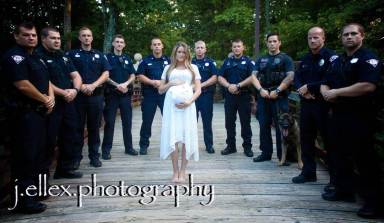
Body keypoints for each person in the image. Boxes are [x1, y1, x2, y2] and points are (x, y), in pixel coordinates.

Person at [321, 23, 383, 218]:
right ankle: (344, 190)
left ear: (362, 36)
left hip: (360, 116)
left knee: (364, 159)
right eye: (346, 34)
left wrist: (336, 92)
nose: (349, 37)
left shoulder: (368, 58)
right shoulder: (339, 60)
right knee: (339, 155)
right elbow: (325, 81)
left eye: (353, 34)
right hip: (338, 115)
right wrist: (326, 93)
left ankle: (373, 203)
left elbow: (367, 86)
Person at [1, 22, 55, 213]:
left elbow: (46, 80)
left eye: (33, 35)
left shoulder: (37, 58)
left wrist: (51, 98)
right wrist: (44, 99)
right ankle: (24, 202)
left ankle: (37, 192)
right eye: (26, 35)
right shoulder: (14, 57)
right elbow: (22, 84)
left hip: (40, 114)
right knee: (25, 158)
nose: (31, 38)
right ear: (16, 36)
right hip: (23, 115)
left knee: (39, 155)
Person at [35, 27, 83, 179]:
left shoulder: (62, 55)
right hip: (51, 104)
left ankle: (64, 169)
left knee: (70, 135)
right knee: (48, 140)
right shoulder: (37, 55)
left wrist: (75, 90)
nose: (57, 41)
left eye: (58, 38)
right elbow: (44, 81)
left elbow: (75, 75)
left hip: (68, 102)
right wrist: (63, 93)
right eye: (53, 38)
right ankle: (42, 177)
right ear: (43, 39)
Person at [239, 33, 294, 163]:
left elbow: (290, 76)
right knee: (264, 125)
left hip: (280, 97)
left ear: (279, 42)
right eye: (270, 41)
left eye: (275, 41)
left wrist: (278, 90)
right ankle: (266, 153)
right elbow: (253, 76)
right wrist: (260, 90)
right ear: (267, 43)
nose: (272, 43)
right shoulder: (261, 59)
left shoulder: (286, 59)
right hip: (263, 96)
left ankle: (283, 156)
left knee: (283, 126)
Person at [291, 27, 336, 186]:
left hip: (324, 105)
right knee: (306, 139)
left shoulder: (332, 57)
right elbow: (296, 78)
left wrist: (310, 87)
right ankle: (308, 172)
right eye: (310, 38)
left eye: (316, 37)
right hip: (306, 104)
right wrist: (302, 90)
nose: (312, 40)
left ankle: (335, 180)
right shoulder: (306, 58)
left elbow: (331, 77)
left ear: (323, 38)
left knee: (329, 141)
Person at [66, 27, 111, 168]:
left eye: (89, 35)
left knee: (94, 128)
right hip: (77, 97)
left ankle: (94, 157)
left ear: (92, 38)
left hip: (95, 97)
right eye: (83, 35)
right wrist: (81, 86)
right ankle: (76, 158)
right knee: (77, 128)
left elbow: (106, 74)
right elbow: (68, 73)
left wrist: (92, 85)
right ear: (79, 38)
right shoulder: (71, 55)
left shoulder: (99, 55)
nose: (86, 38)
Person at [158, 42, 201, 183]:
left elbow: (198, 89)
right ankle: (175, 171)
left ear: (187, 53)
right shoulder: (168, 69)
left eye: (183, 52)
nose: (181, 54)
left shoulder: (193, 68)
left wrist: (189, 101)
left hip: (188, 107)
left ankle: (183, 171)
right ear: (174, 54)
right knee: (174, 138)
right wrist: (170, 83)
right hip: (171, 108)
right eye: (179, 52)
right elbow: (160, 89)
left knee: (186, 138)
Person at [101, 34, 138, 159]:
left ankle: (129, 148)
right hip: (111, 95)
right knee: (110, 123)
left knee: (127, 123)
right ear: (113, 44)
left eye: (121, 42)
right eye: (117, 42)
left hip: (125, 95)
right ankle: (106, 150)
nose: (119, 44)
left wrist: (126, 84)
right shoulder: (106, 58)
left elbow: (133, 74)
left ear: (124, 44)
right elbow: (104, 75)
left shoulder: (127, 58)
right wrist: (117, 85)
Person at [218, 39, 254, 157]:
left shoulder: (248, 62)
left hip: (244, 95)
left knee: (245, 123)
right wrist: (228, 86)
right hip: (230, 97)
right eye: (234, 47)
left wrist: (239, 85)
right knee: (229, 123)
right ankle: (231, 146)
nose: (236, 48)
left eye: (239, 46)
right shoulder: (227, 62)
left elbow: (253, 77)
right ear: (232, 48)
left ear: (243, 47)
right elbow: (220, 77)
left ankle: (247, 147)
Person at [136, 38, 170, 155]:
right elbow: (140, 76)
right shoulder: (145, 61)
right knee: (147, 121)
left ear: (162, 46)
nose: (157, 46)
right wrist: (152, 82)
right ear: (151, 47)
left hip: (165, 95)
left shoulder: (169, 61)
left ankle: (171, 145)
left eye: (159, 44)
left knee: (169, 120)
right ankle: (143, 145)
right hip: (149, 94)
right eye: (154, 44)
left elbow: (173, 75)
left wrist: (163, 84)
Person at [192, 40, 217, 153]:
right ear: (194, 49)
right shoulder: (189, 63)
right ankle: (191, 146)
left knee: (207, 122)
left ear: (205, 49)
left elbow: (215, 77)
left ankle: (209, 145)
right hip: (193, 97)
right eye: (198, 47)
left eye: (202, 47)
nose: (200, 49)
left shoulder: (211, 62)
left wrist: (200, 85)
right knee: (191, 122)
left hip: (206, 95)